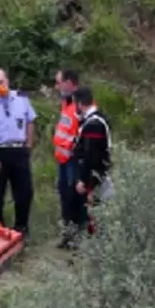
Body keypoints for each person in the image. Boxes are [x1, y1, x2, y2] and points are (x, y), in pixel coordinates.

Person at [0, 67, 36, 235]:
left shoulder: (21, 99)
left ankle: (21, 228)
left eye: (1, 82)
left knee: (24, 192)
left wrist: (28, 145)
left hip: (19, 150)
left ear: (7, 81)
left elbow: (30, 121)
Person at [65, 86, 113, 248]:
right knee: (95, 214)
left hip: (95, 178)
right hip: (98, 175)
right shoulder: (96, 120)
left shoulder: (93, 124)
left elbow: (91, 157)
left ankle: (97, 250)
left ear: (79, 103)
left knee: (95, 215)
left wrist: (84, 181)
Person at [51, 69, 81, 248]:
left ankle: (76, 237)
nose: (56, 87)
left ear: (69, 83)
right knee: (64, 196)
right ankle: (67, 234)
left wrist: (73, 149)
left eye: (58, 82)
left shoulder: (81, 104)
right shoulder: (66, 102)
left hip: (73, 161)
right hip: (63, 160)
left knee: (74, 197)